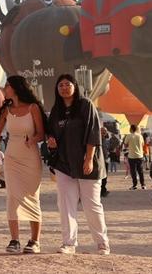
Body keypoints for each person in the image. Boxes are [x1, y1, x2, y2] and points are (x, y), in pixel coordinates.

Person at [46, 74, 110, 255]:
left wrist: (89, 158)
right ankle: (69, 243)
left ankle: (102, 242)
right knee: (65, 204)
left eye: (67, 84)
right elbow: (50, 132)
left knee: (91, 205)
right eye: (60, 85)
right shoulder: (56, 110)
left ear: (75, 86)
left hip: (86, 163)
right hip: (64, 164)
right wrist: (50, 139)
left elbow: (93, 132)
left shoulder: (85, 105)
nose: (64, 88)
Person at [0, 75, 45, 254]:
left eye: (7, 85)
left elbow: (41, 134)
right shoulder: (6, 109)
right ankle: (14, 240)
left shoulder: (33, 108)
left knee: (32, 196)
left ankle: (34, 241)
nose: (4, 88)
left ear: (16, 88)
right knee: (13, 196)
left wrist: (33, 139)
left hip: (30, 156)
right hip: (12, 157)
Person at [123, 124, 146, 190]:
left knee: (133, 172)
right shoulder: (140, 136)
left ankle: (134, 185)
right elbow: (142, 144)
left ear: (131, 129)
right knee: (140, 171)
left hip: (132, 156)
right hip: (140, 156)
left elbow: (125, 145)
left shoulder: (128, 136)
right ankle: (143, 185)